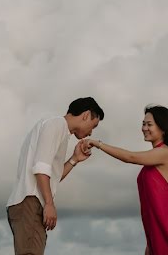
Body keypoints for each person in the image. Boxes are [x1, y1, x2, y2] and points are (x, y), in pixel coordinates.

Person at [85, 105, 168, 255]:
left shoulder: (165, 153)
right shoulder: (155, 155)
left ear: (163, 128)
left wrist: (98, 144)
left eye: (149, 124)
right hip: (154, 225)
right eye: (143, 124)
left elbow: (131, 157)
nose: (144, 128)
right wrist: (150, 242)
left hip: (165, 222)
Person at [6, 97, 104, 255]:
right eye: (93, 126)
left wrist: (74, 159)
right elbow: (40, 167)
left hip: (29, 202)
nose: (91, 132)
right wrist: (49, 204)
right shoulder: (56, 124)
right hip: (31, 201)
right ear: (86, 115)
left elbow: (51, 176)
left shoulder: (59, 130)